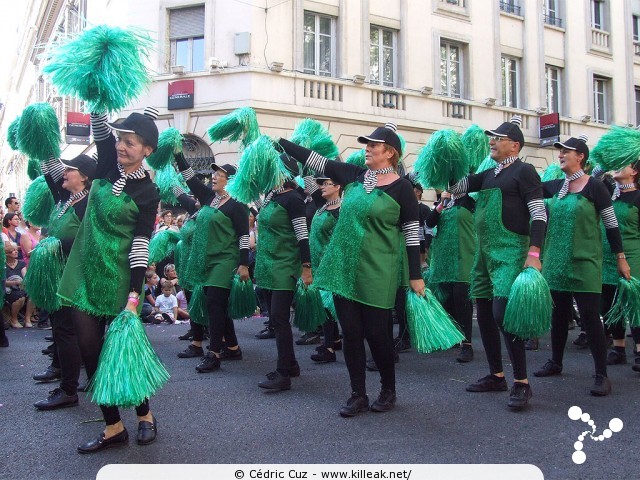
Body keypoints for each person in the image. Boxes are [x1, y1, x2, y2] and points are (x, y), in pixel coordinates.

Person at [278, 122, 424, 415]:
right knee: (351, 333)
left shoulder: (403, 188)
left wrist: (415, 275)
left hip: (379, 269)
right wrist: (280, 142)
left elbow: (410, 233)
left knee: (378, 334)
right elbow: (315, 160)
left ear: (390, 152)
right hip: (344, 268)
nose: (367, 148)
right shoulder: (355, 176)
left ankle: (387, 389)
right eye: (366, 144)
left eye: (373, 145)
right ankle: (358, 393)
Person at [57, 108, 161, 453]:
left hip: (119, 277)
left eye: (129, 142)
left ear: (146, 149)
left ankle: (144, 415)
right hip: (85, 273)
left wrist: (134, 295)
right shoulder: (103, 165)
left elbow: (141, 242)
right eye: (120, 140)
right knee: (91, 351)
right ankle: (113, 426)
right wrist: (99, 84)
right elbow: (99, 125)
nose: (121, 146)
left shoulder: (149, 192)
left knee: (122, 351)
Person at [448, 116, 547, 411]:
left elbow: (539, 214)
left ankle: (522, 382)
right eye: (491, 137)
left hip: (511, 252)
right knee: (487, 314)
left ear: (514, 144)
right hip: (484, 254)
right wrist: (449, 160)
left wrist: (534, 253)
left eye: (498, 137)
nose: (491, 140)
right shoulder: (488, 173)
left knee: (503, 314)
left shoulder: (525, 171)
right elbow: (456, 188)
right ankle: (496, 375)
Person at [532, 136, 630, 397]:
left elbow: (611, 224)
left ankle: (601, 375)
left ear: (581, 157)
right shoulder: (553, 187)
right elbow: (529, 194)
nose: (561, 154)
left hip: (585, 263)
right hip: (555, 263)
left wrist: (620, 258)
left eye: (567, 151)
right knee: (558, 316)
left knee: (590, 318)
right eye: (560, 151)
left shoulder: (595, 187)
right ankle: (555, 361)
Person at [30, 154, 96, 409]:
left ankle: (69, 389)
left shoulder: (87, 204)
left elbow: (88, 241)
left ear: (85, 177)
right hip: (59, 274)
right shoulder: (66, 199)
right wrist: (44, 148)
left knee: (68, 331)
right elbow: (50, 174)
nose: (64, 173)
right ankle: (79, 378)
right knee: (64, 330)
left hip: (76, 277)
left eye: (70, 169)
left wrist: (55, 244)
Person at [174, 158, 249, 372]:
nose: (214, 177)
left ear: (231, 181)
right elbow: (189, 178)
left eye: (220, 175)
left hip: (225, 260)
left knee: (214, 303)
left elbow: (244, 236)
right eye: (214, 174)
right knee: (217, 305)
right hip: (207, 261)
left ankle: (214, 353)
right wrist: (178, 154)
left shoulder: (237, 204)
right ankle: (233, 348)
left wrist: (243, 264)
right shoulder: (209, 197)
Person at [252, 155, 312, 390]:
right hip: (267, 264)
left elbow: (302, 236)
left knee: (279, 318)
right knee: (275, 319)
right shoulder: (271, 196)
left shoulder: (294, 199)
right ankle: (292, 364)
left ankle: (283, 373)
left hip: (286, 264)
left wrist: (306, 268)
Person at [424, 186, 477, 363]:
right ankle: (452, 336)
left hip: (464, 254)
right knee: (446, 298)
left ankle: (467, 344)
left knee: (461, 296)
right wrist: (440, 205)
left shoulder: (472, 200)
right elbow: (429, 223)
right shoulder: (444, 201)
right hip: (443, 257)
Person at [601, 162, 640, 371]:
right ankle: (618, 348)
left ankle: (639, 350)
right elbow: (594, 175)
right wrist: (608, 160)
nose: (617, 167)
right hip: (606, 256)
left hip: (633, 256)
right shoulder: (607, 193)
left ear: (634, 171)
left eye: (623, 164)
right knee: (609, 303)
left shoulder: (638, 197)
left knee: (633, 303)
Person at [308, 176, 343, 363]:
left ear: (337, 186)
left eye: (326, 183)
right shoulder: (322, 206)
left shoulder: (341, 210)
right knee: (325, 305)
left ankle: (328, 348)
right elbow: (308, 181)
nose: (322, 186)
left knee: (329, 305)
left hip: (331, 264)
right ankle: (334, 339)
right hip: (317, 263)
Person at [4, 242, 30, 328]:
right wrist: (15, 282)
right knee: (20, 296)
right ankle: (14, 319)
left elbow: (25, 278)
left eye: (16, 250)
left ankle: (27, 319)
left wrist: (23, 282)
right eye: (12, 251)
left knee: (33, 294)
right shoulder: (2, 265)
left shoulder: (21, 263)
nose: (16, 252)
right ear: (6, 253)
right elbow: (3, 282)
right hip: (7, 289)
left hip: (21, 286)